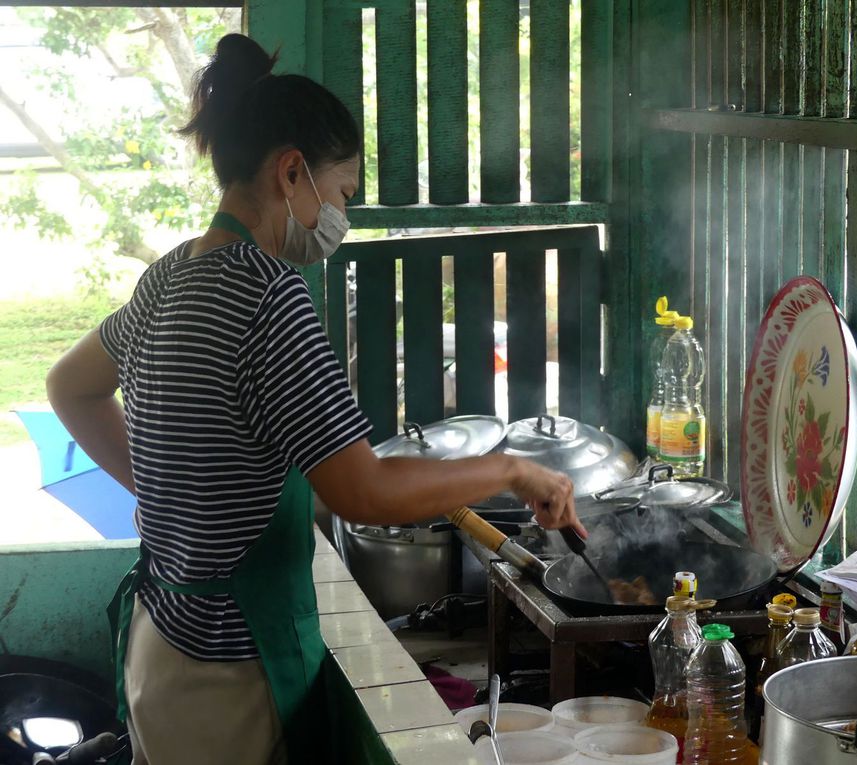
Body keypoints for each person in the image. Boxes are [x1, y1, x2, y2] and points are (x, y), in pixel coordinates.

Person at [46, 33, 582, 765]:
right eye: (342, 194)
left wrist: (162, 490)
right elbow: (362, 488)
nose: (341, 216)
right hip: (227, 671)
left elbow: (69, 387)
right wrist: (514, 469)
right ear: (291, 172)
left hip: (158, 645)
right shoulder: (269, 296)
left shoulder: (166, 277)